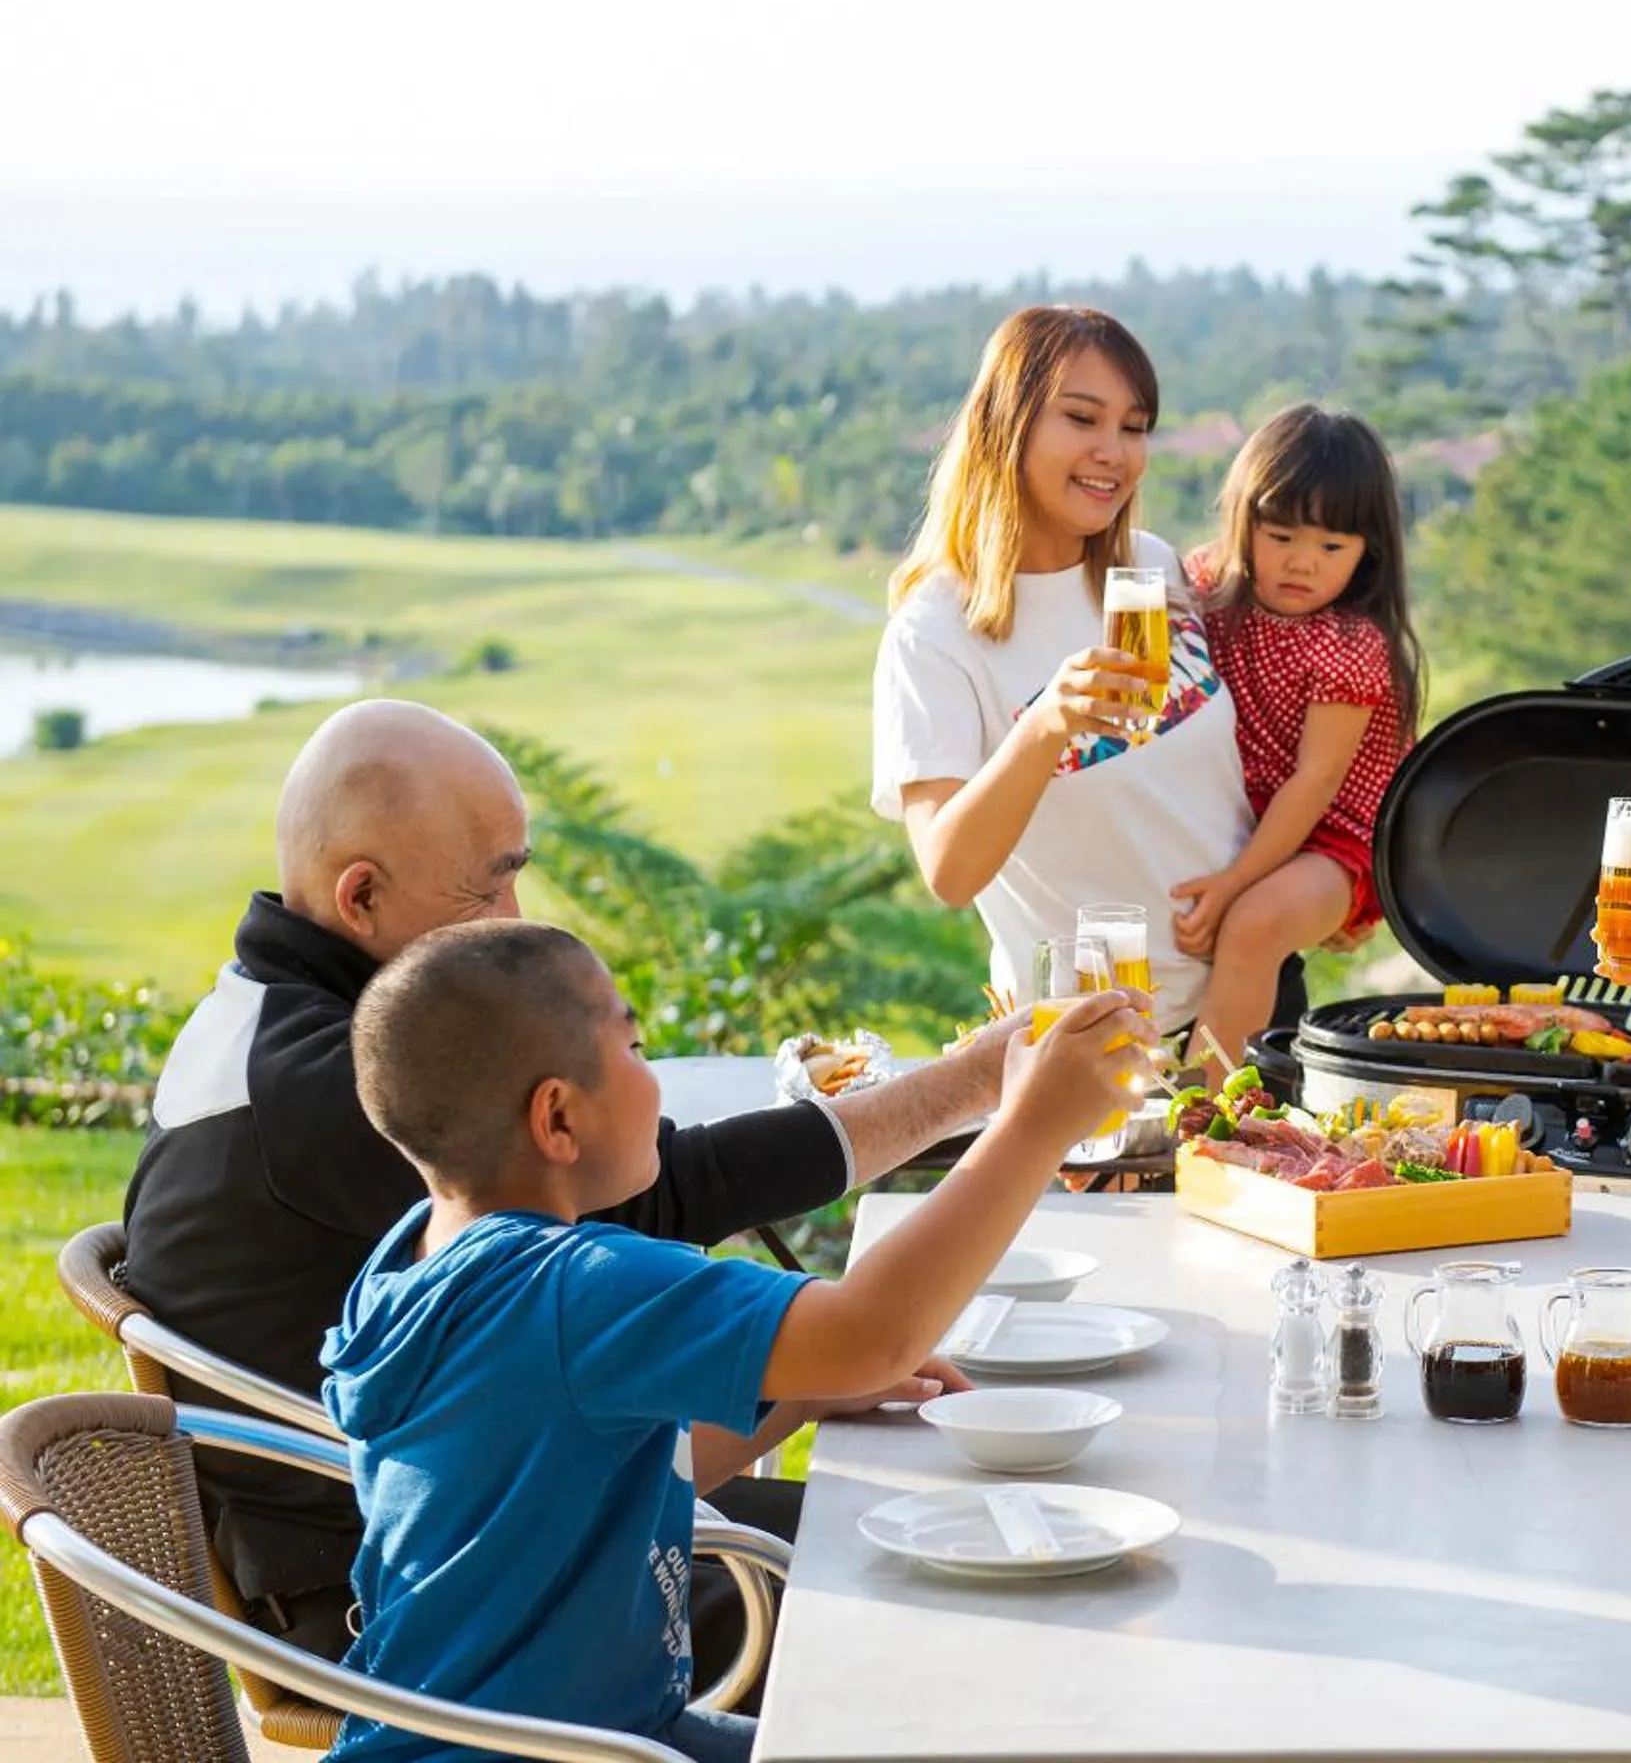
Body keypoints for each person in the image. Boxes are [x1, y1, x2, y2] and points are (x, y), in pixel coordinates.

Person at [121, 699, 1027, 1664]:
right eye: (490, 888)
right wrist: (989, 1089)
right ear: (361, 899)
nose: (516, 919)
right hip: (416, 1602)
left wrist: (796, 1392)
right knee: (946, 1608)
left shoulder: (274, 1024)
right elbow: (666, 1194)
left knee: (938, 1542)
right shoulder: (345, 1090)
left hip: (466, 1517)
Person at [324, 918, 1157, 1762]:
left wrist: (800, 1393)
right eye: (637, 1048)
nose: (654, 1077)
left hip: (473, 1736)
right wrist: (1034, 1126)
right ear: (558, 1117)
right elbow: (874, 1331)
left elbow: (617, 1465)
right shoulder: (580, 1287)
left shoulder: (417, 1262)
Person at [874, 305, 1255, 1039]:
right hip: (1096, 1046)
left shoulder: (1152, 566)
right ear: (1006, 426)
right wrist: (1045, 724)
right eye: (1082, 419)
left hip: (1250, 1013)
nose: (1114, 451)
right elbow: (949, 872)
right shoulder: (934, 634)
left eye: (1134, 427)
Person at [1172, 405, 1423, 1055]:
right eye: (1280, 536)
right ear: (1243, 521)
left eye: (1331, 547)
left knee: (1254, 923)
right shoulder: (1206, 588)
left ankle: (1208, 1109)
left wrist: (1233, 884)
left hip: (1335, 840)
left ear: (1368, 552)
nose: (1302, 563)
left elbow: (1315, 785)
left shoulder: (1347, 644)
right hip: (1244, 814)